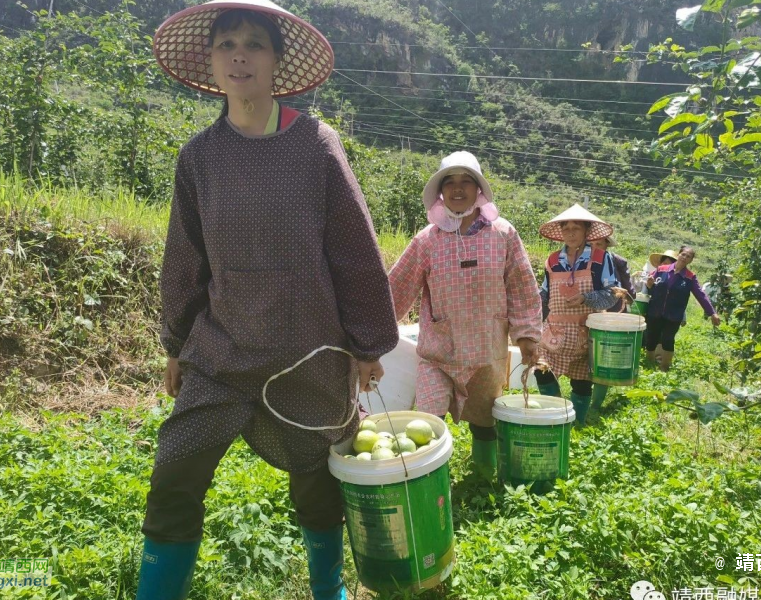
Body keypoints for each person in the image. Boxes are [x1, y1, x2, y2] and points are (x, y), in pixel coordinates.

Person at [141, 3, 399, 599]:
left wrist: (366, 344)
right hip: (221, 349)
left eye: (254, 44)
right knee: (175, 471)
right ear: (209, 61)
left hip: (309, 348)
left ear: (277, 62)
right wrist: (175, 345)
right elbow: (184, 259)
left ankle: (327, 590)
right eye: (226, 42)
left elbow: (355, 249)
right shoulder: (199, 157)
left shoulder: (316, 145)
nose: (239, 54)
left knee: (316, 483)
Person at [388, 151, 542, 479]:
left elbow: (522, 286)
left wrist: (527, 335)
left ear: (478, 190)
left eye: (466, 182)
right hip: (438, 352)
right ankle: (428, 482)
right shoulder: (427, 241)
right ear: (441, 193)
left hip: (486, 351)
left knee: (485, 421)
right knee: (426, 423)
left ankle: (483, 477)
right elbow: (396, 287)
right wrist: (372, 333)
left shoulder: (503, 234)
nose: (458, 189)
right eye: (450, 183)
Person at [533, 204, 618, 425]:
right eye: (566, 227)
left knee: (581, 381)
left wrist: (586, 298)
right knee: (541, 371)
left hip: (585, 333)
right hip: (554, 332)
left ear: (586, 231)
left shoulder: (601, 259)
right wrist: (532, 323)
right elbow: (545, 294)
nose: (570, 232)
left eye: (576, 228)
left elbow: (612, 293)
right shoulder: (552, 261)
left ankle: (578, 422)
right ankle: (556, 414)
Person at [644, 245, 721, 371]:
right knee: (651, 338)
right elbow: (650, 285)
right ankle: (649, 363)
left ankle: (664, 367)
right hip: (655, 311)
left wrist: (712, 312)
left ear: (690, 260)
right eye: (683, 254)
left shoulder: (690, 277)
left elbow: (701, 296)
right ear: (678, 255)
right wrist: (649, 284)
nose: (685, 257)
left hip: (673, 315)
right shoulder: (661, 269)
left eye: (688, 256)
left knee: (667, 340)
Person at [592, 234, 635, 312]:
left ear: (606, 245)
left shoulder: (617, 261)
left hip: (613, 308)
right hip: (589, 307)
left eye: (598, 244)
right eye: (590, 244)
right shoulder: (583, 261)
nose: (594, 248)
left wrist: (630, 297)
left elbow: (627, 286)